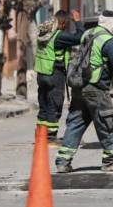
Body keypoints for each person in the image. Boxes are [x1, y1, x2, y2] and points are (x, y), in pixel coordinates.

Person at [55, 11, 113, 173]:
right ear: (112, 24)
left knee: (76, 123)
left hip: (78, 85)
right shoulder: (108, 41)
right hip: (95, 87)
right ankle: (110, 161)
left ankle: (62, 161)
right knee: (108, 122)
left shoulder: (89, 33)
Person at [34, 9, 83, 145]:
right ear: (62, 23)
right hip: (54, 74)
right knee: (54, 105)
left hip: (41, 73)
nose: (67, 27)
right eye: (66, 24)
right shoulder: (59, 36)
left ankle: (41, 135)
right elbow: (80, 37)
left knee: (44, 105)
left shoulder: (43, 34)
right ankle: (50, 138)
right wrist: (78, 21)